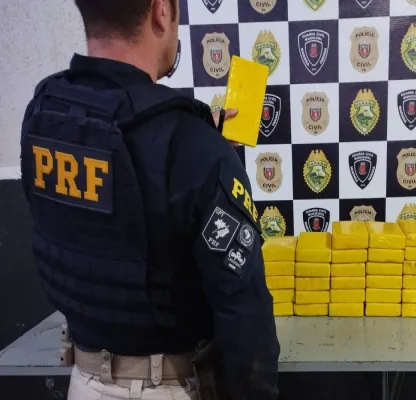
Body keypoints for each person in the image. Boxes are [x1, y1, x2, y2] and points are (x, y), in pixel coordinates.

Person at [19, 0, 280, 399]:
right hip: (167, 387)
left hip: (82, 382)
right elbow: (246, 317)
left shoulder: (44, 113)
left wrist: (202, 149)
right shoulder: (192, 145)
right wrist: (206, 153)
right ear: (161, 10)